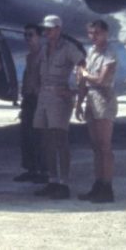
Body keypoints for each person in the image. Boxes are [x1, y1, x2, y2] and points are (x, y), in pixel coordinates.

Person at [32, 14, 85, 200]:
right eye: (45, 29)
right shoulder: (44, 48)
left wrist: (74, 91)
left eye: (50, 28)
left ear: (58, 29)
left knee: (60, 140)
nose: (46, 32)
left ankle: (64, 183)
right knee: (46, 140)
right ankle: (52, 180)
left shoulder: (69, 48)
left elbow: (82, 66)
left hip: (60, 98)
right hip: (44, 97)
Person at [76, 19, 118, 203]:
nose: (93, 37)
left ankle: (107, 186)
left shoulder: (109, 54)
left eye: (97, 33)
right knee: (95, 147)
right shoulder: (92, 52)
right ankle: (98, 183)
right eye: (91, 33)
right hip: (91, 99)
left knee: (104, 146)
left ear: (105, 33)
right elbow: (84, 81)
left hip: (103, 98)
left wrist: (84, 74)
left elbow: (101, 80)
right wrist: (79, 102)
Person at [13, 23, 48, 184]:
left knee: (40, 137)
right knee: (26, 136)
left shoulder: (45, 55)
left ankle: (44, 170)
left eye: (31, 35)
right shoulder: (29, 56)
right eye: (26, 35)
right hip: (28, 99)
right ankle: (31, 169)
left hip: (40, 99)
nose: (28, 38)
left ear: (39, 36)